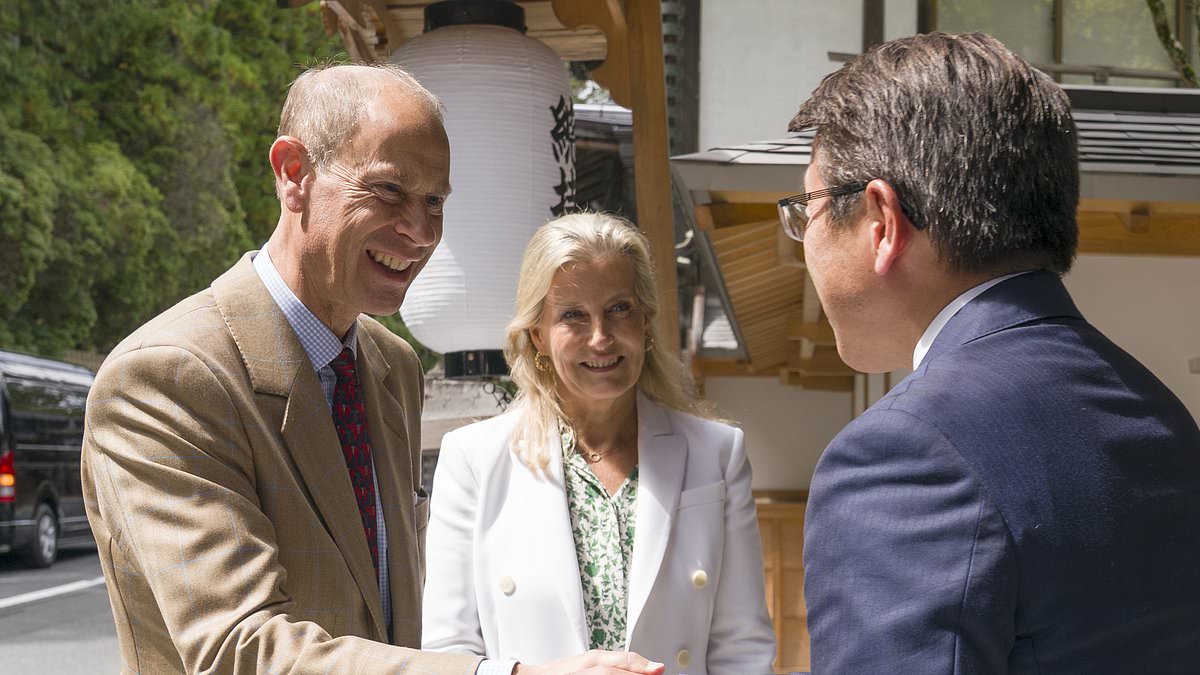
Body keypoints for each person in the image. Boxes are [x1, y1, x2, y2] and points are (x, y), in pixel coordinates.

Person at [81, 63, 663, 675]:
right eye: (388, 190)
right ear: (292, 174)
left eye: (434, 201)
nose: (418, 230)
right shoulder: (168, 377)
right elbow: (239, 649)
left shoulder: (392, 365)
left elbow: (397, 609)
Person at [780, 32, 1200, 673]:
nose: (800, 236)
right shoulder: (1159, 413)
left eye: (805, 204)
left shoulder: (906, 451)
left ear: (880, 221)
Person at [421, 212, 777, 675]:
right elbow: (446, 656)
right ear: (538, 336)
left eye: (619, 309)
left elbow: (744, 652)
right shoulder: (473, 460)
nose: (601, 337)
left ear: (645, 320)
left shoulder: (717, 452)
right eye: (573, 315)